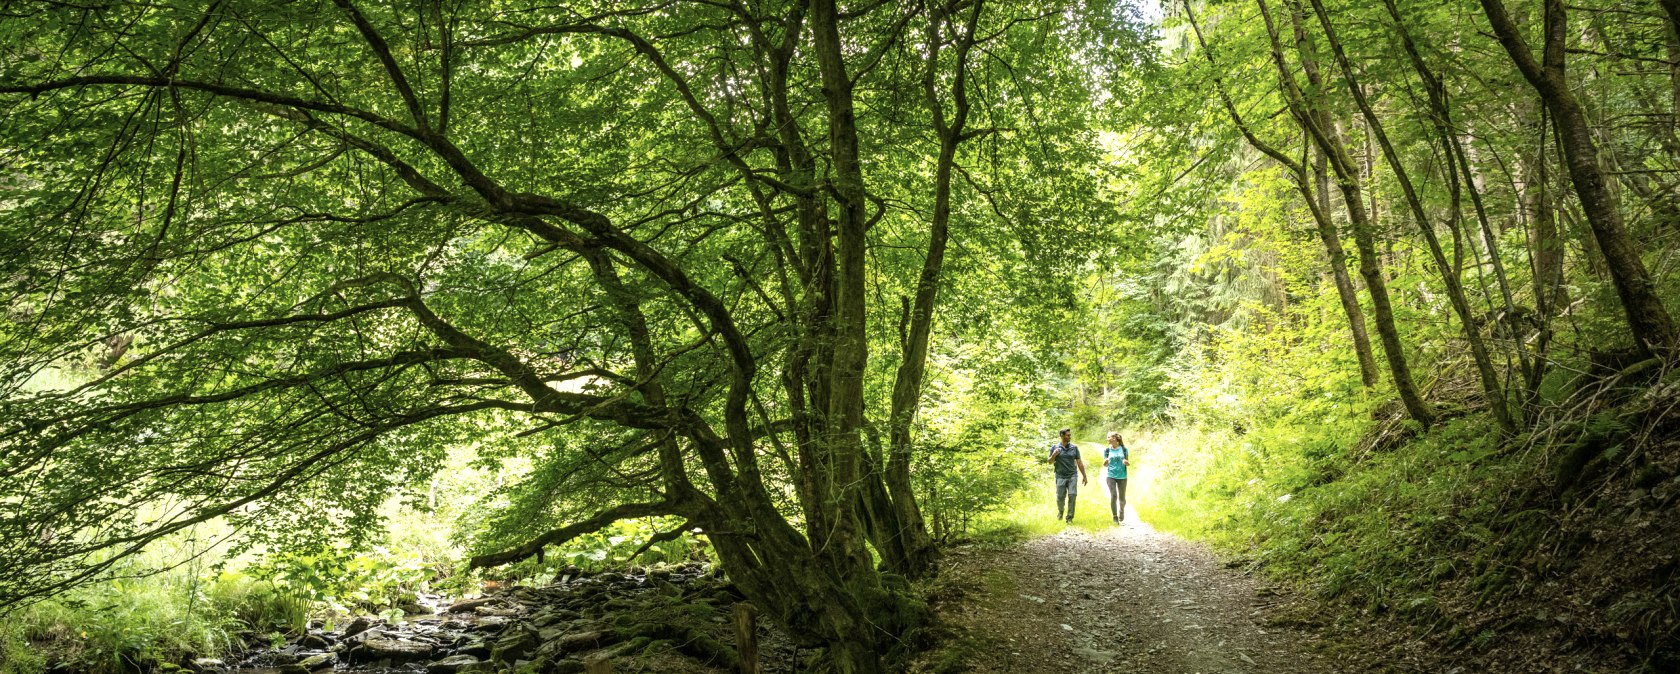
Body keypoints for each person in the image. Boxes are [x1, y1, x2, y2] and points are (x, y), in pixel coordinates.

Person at [1047, 428, 1086, 523]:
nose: (1070, 437)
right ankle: (1060, 512)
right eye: (1068, 435)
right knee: (1060, 497)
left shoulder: (1074, 447)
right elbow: (1049, 462)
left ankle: (1069, 518)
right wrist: (1054, 455)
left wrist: (1084, 475)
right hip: (1060, 476)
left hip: (1072, 475)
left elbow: (1079, 462)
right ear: (1062, 435)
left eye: (1070, 435)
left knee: (1072, 495)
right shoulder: (1055, 447)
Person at [1102, 431, 1130, 524]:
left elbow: (1127, 462)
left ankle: (1121, 510)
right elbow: (1105, 464)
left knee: (1122, 498)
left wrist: (1126, 463)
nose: (1107, 439)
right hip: (1111, 476)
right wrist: (1105, 463)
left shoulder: (1124, 449)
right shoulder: (1107, 450)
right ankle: (1115, 517)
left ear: (1114, 438)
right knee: (1113, 496)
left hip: (1122, 476)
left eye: (1109, 437)